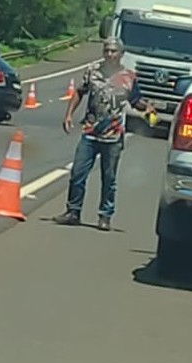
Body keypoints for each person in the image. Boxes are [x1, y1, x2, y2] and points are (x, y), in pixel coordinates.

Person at [52, 39, 149, 232]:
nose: (110, 54)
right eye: (107, 50)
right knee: (78, 173)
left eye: (114, 51)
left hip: (113, 136)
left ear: (121, 54)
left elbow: (136, 100)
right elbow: (80, 92)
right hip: (90, 132)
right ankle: (73, 211)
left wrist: (149, 111)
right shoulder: (92, 71)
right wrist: (69, 114)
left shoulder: (129, 77)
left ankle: (105, 216)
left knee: (109, 178)